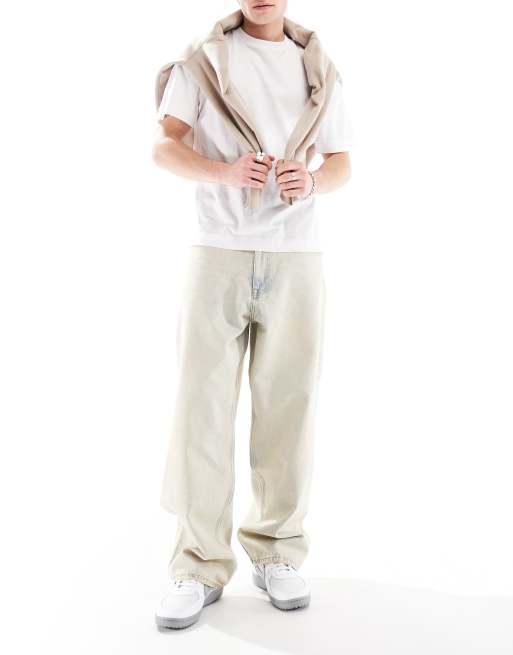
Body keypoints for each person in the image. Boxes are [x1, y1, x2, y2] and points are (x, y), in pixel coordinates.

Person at [152, 0, 353, 629]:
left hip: (296, 254)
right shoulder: (202, 60)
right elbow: (163, 148)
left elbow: (341, 161)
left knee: (289, 407)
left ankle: (278, 552)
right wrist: (226, 172)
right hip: (218, 250)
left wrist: (310, 181)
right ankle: (196, 564)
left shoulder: (318, 66)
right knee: (201, 410)